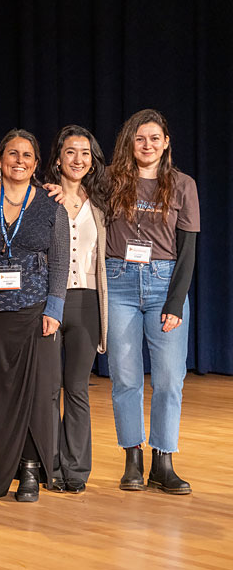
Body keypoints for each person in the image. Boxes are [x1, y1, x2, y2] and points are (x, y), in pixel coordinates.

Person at [0, 129, 69, 502]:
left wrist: (55, 308)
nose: (20, 161)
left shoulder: (49, 206)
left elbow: (60, 260)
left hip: (34, 314)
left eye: (27, 155)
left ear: (36, 164)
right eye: (13, 154)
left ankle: (29, 470)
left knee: (35, 396)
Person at [105, 109, 199, 495]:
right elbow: (75, 193)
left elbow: (188, 248)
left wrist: (175, 302)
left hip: (164, 284)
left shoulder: (182, 184)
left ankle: (164, 461)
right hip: (119, 283)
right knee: (125, 378)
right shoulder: (110, 179)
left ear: (166, 144)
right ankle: (133, 460)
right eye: (140, 139)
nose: (147, 145)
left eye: (155, 139)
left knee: (168, 380)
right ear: (131, 143)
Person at [44, 125, 109, 494]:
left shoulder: (99, 203)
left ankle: (77, 469)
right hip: (53, 302)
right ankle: (52, 463)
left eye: (85, 153)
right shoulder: (43, 198)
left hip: (86, 303)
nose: (78, 159)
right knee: (51, 389)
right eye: (71, 152)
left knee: (77, 388)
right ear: (58, 159)